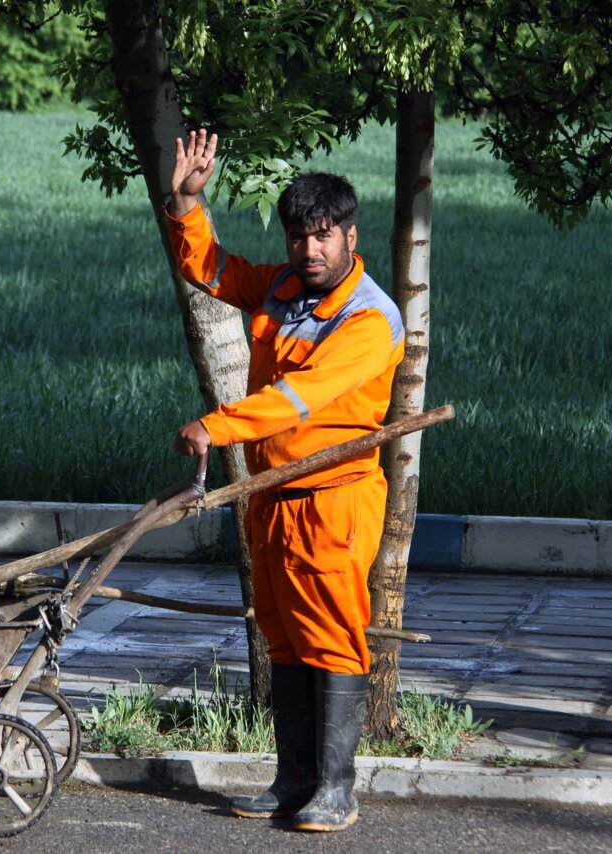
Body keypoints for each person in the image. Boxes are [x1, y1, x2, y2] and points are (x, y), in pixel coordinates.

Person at [166, 130, 403, 832]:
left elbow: (300, 398)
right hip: (273, 498)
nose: (310, 250)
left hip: (335, 502)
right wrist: (188, 201)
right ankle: (293, 780)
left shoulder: (368, 320)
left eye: (324, 236)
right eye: (300, 236)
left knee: (332, 637)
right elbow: (213, 271)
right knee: (285, 638)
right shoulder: (283, 288)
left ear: (350, 235)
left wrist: (218, 425)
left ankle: (337, 789)